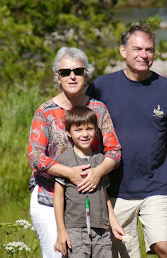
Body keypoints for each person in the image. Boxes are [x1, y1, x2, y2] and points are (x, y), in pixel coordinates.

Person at [86, 25, 167, 258]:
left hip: (154, 188)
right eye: (137, 48)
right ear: (122, 51)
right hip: (114, 190)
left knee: (163, 245)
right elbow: (83, 130)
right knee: (123, 254)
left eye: (149, 50)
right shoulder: (101, 87)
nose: (143, 55)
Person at [28, 47, 122, 258]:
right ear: (57, 77)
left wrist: (97, 173)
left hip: (90, 198)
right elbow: (35, 157)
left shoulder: (98, 109)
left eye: (78, 71)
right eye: (65, 72)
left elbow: (114, 151)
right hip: (49, 197)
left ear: (86, 74)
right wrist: (68, 173)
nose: (72, 76)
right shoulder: (45, 112)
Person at [54, 106, 126, 257]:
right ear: (68, 132)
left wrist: (113, 223)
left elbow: (104, 196)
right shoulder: (64, 161)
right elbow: (58, 198)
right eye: (78, 130)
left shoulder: (100, 160)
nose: (85, 134)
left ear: (96, 131)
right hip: (75, 231)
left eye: (90, 129)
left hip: (101, 231)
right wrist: (61, 231)